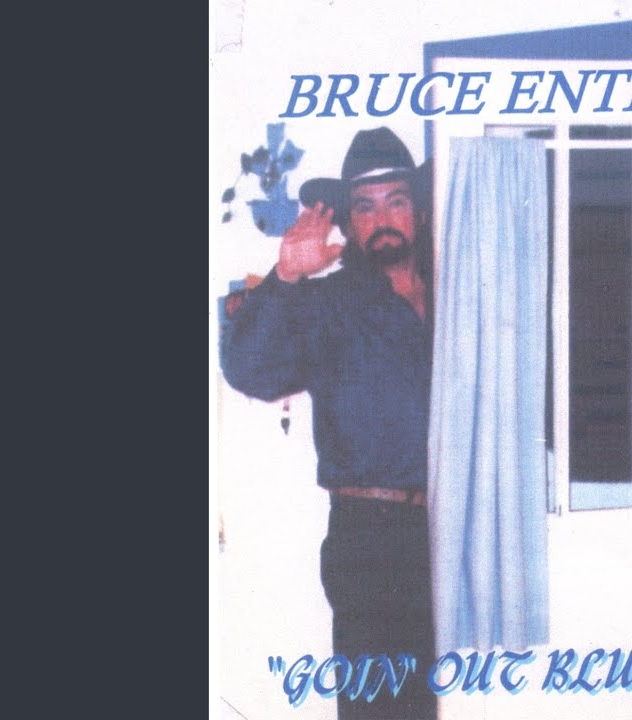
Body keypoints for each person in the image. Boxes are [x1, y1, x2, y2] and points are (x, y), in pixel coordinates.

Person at [220, 126, 436, 720]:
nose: (382, 219)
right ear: (350, 222)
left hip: (451, 529)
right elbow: (248, 370)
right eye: (365, 207)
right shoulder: (330, 304)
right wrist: (287, 275)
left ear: (418, 212)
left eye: (396, 201)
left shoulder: (457, 298)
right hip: (370, 539)